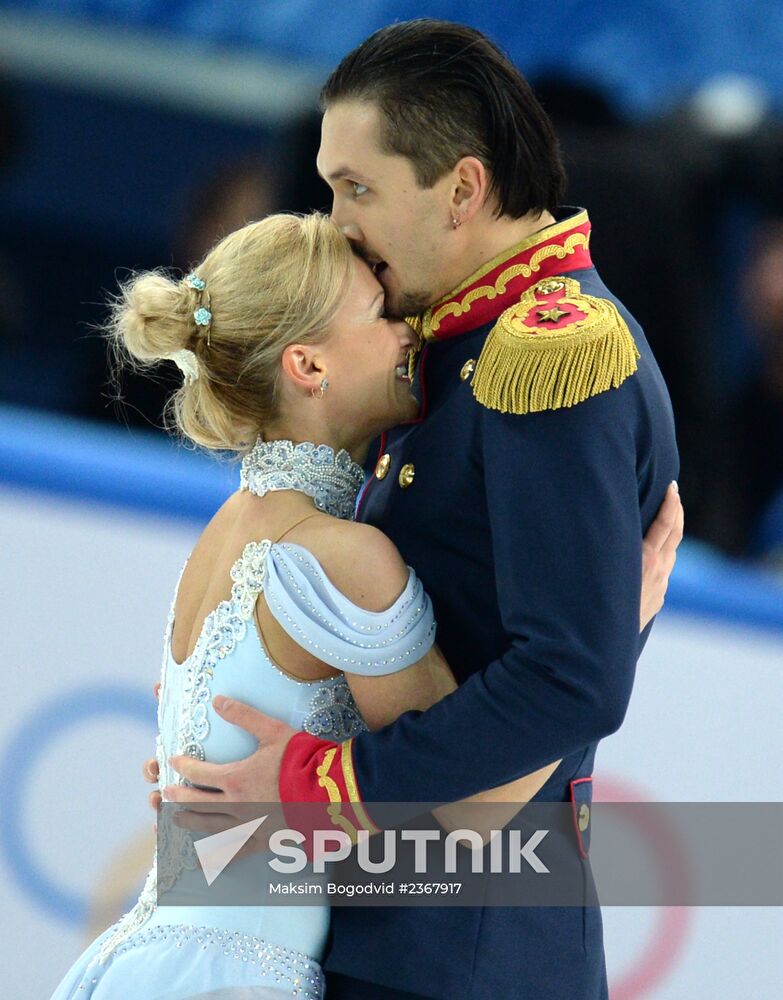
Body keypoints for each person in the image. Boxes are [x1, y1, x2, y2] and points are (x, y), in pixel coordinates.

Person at [146, 20, 681, 1000]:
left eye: (358, 188)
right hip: (383, 923)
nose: (339, 221)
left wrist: (316, 788)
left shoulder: (549, 351)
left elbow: (570, 676)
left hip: (467, 948)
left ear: (462, 189)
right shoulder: (442, 343)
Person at [49, 211, 675, 1000]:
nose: (412, 329)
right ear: (308, 365)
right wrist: (609, 632)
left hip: (147, 961)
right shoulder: (343, 559)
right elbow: (474, 818)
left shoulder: (231, 527)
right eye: (379, 315)